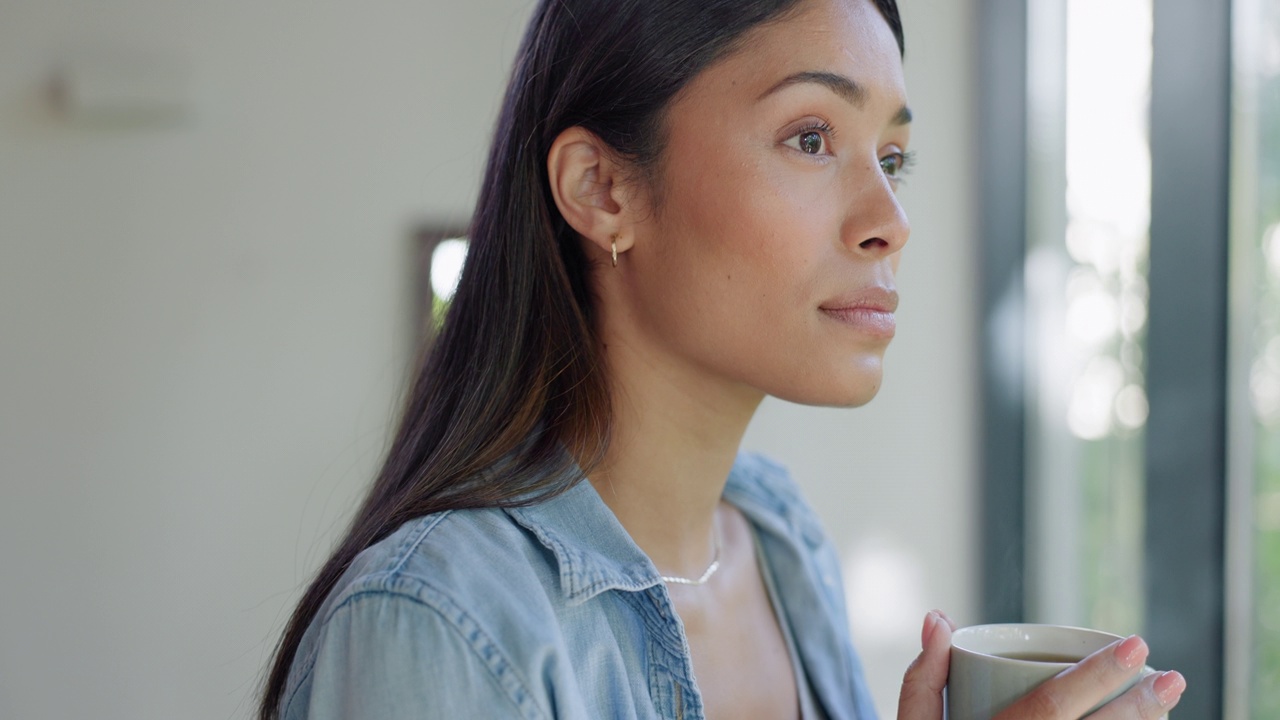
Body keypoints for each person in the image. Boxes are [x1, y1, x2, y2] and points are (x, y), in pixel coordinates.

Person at [258, 0, 1187, 717]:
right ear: (604, 189)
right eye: (812, 137)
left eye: (893, 157)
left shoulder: (781, 541)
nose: (890, 222)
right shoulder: (432, 623)